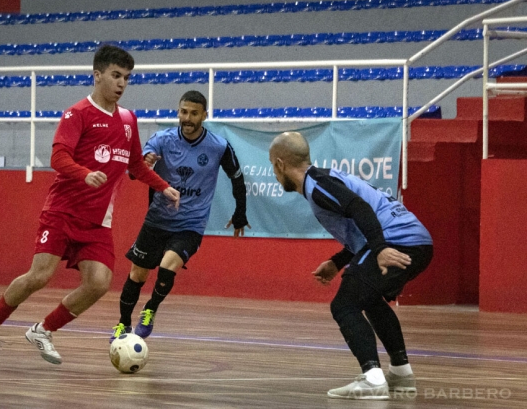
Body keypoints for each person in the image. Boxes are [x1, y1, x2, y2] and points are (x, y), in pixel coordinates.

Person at [0, 44, 180, 367]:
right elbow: (58, 157)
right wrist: (85, 175)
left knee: (98, 283)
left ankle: (43, 329)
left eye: (126, 77)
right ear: (97, 76)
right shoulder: (77, 114)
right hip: (62, 211)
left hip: (97, 221)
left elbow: (136, 166)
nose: (122, 83)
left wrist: (164, 186)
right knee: (39, 276)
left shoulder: (128, 120)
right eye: (115, 75)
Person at [269, 131, 433, 400]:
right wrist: (338, 261)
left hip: (396, 240)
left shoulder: (317, 185)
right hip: (418, 241)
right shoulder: (323, 179)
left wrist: (380, 248)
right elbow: (358, 224)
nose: (274, 174)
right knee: (368, 299)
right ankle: (401, 373)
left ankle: (372, 378)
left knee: (344, 305)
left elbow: (359, 208)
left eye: (272, 167)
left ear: (279, 164)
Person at [110, 90, 250, 341]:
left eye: (194, 113)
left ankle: (150, 309)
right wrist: (146, 163)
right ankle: (122, 324)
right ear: (178, 111)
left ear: (204, 116)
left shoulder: (218, 146)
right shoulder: (161, 139)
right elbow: (134, 172)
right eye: (183, 112)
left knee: (167, 266)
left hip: (190, 225)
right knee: (136, 275)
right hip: (156, 221)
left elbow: (237, 179)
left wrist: (240, 213)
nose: (187, 118)